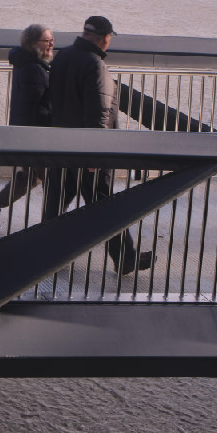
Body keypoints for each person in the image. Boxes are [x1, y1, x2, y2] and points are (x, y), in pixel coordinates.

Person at [42, 14, 152, 276]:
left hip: (62, 145)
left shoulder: (63, 57)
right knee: (106, 207)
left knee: (57, 203)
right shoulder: (96, 66)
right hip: (87, 151)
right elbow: (99, 113)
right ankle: (126, 258)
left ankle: (44, 253)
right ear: (105, 38)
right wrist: (95, 156)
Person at [0, 24, 54, 228]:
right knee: (55, 180)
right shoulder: (34, 69)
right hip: (34, 135)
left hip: (25, 132)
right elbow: (36, 107)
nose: (51, 44)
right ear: (32, 43)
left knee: (31, 177)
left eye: (51, 40)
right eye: (46, 41)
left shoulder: (26, 63)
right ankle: (54, 227)